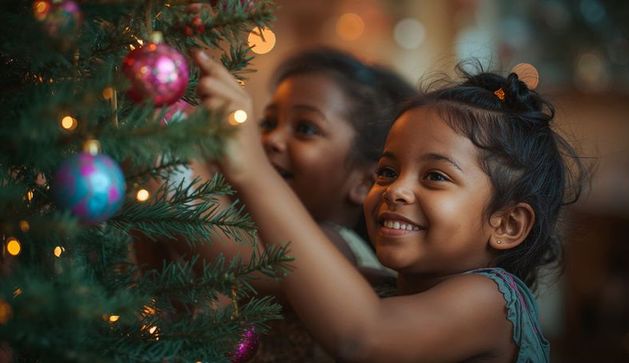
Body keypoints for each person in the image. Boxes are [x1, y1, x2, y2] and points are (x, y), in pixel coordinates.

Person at [194, 49, 587, 362]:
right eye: (386, 172)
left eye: (435, 176)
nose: (395, 190)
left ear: (508, 224)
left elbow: (363, 337)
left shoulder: (493, 301)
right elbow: (262, 271)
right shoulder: (379, 286)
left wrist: (253, 170)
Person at [135, 48, 416, 362]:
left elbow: (231, 254)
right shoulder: (254, 231)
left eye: (305, 128)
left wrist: (173, 148)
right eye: (268, 122)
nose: (271, 139)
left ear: (365, 182)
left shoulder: (342, 250)